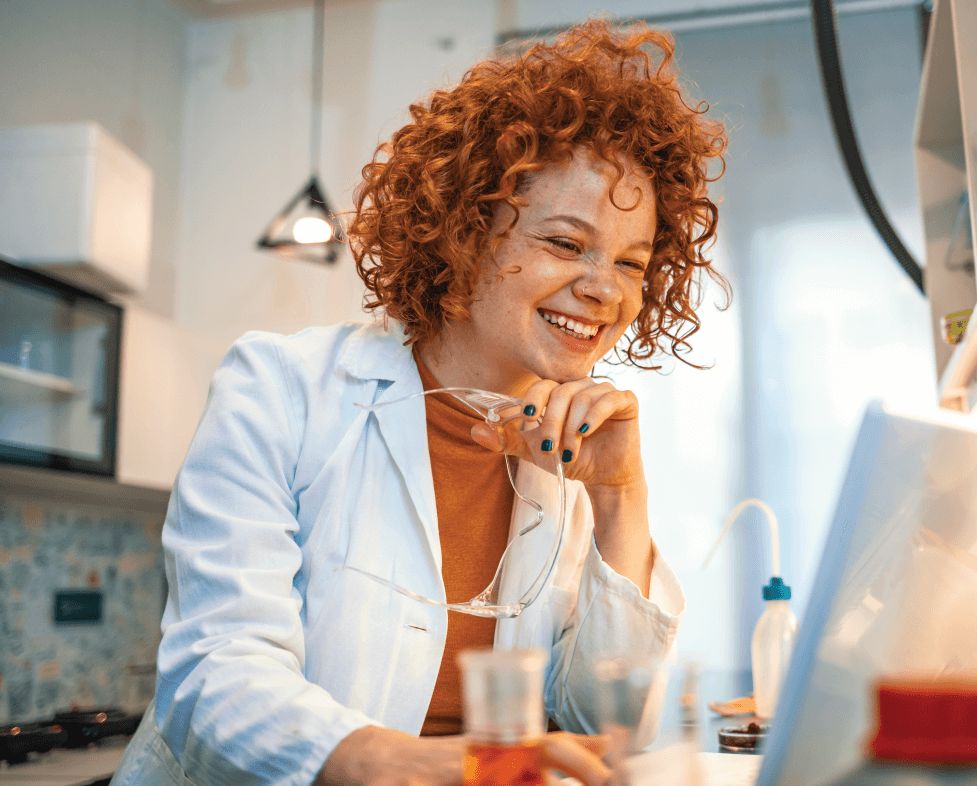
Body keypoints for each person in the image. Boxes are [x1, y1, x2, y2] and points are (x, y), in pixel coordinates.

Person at [110, 18, 728, 786]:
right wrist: (386, 760)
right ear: (463, 233)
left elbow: (598, 720)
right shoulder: (281, 390)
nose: (606, 289)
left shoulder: (569, 448)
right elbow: (215, 673)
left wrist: (619, 500)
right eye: (566, 244)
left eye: (632, 263)